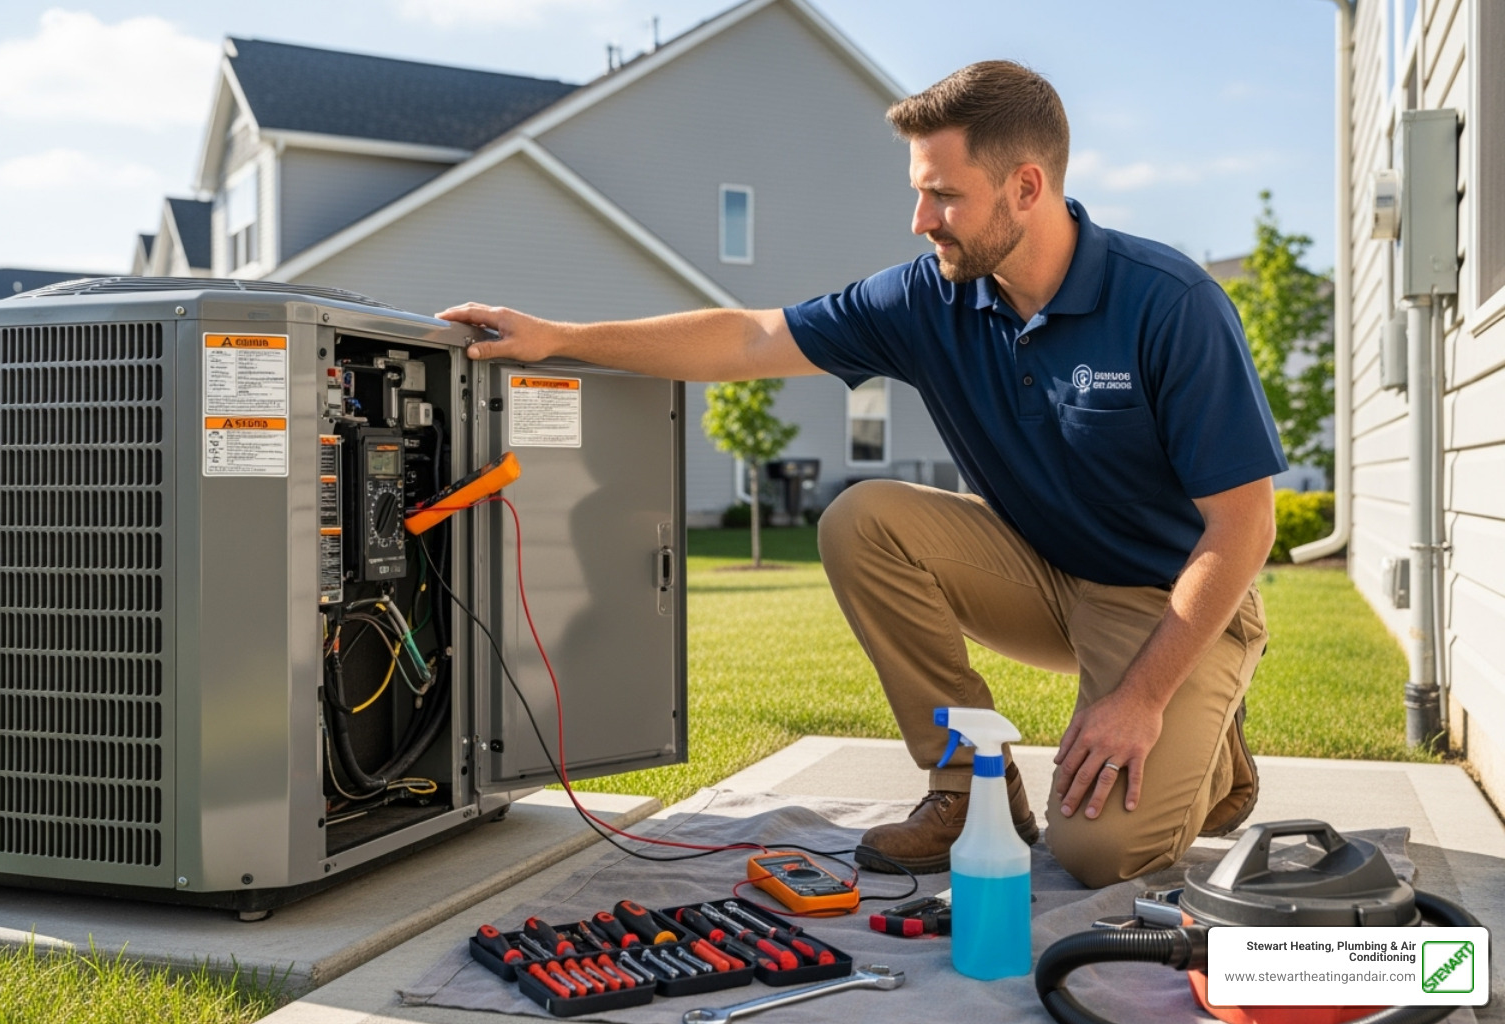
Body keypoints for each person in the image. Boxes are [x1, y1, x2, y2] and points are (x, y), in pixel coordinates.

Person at [439, 61, 1284, 888]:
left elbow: (1244, 526)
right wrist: (558, 337)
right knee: (862, 519)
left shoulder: (1169, 304)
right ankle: (966, 787)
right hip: (1039, 573)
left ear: (1028, 187)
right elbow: (747, 338)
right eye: (919, 191)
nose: (922, 219)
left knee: (1099, 855)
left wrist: (1139, 699)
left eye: (945, 195)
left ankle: (1209, 746)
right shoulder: (930, 299)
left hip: (1164, 599)